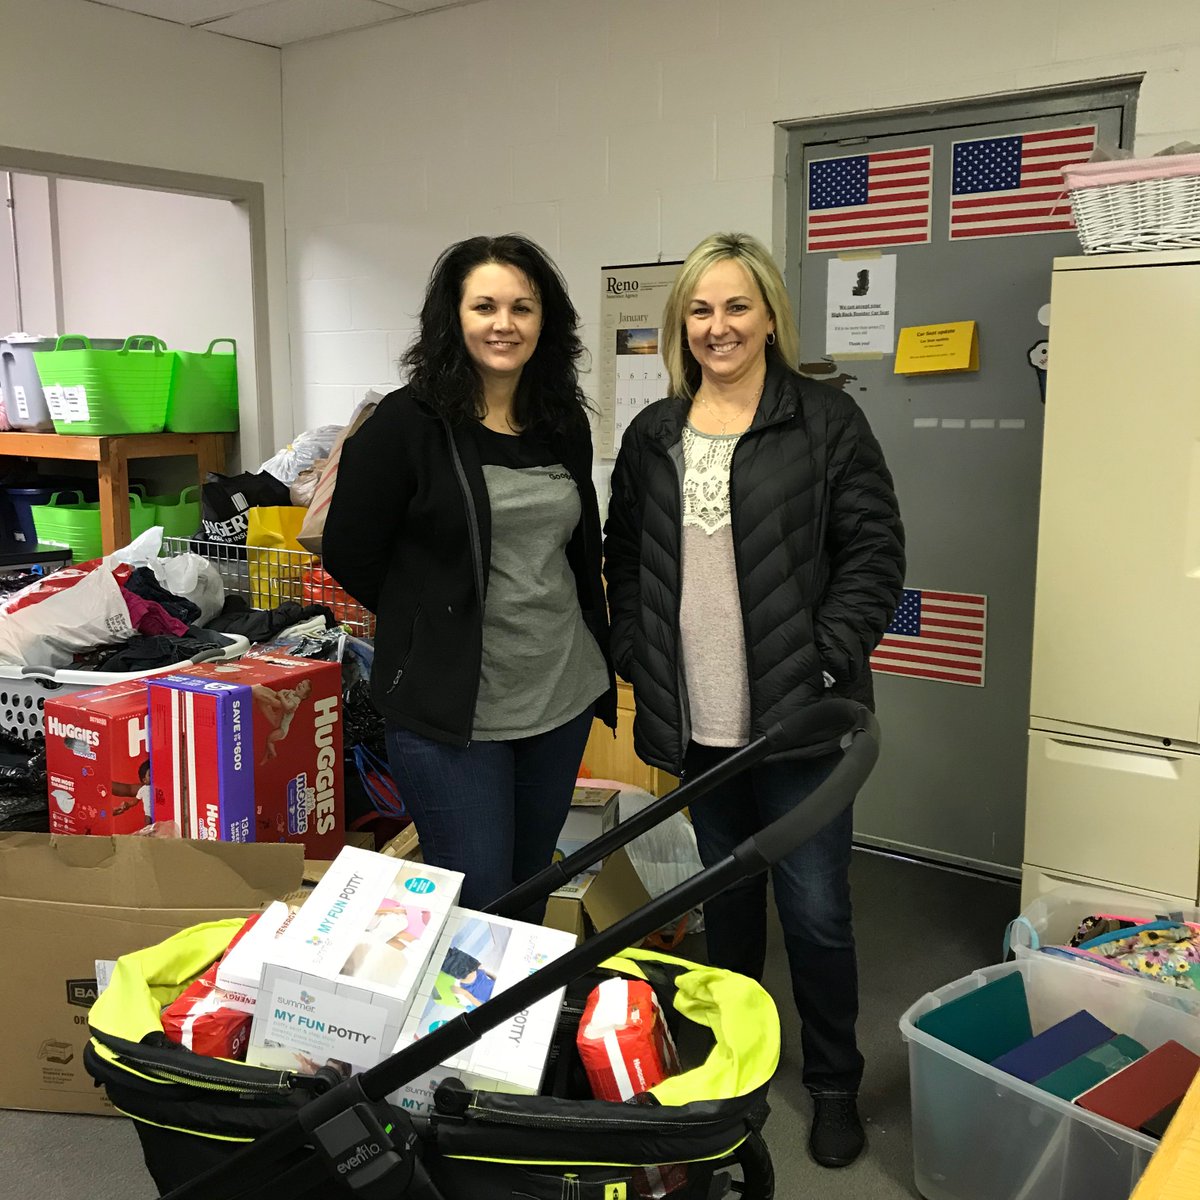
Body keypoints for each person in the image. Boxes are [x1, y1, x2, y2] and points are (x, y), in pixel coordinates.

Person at [603, 232, 904, 1168]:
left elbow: (874, 555)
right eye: (700, 309)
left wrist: (824, 662)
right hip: (698, 725)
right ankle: (738, 1063)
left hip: (800, 721)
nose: (718, 326)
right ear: (680, 323)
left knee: (814, 911)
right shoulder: (654, 434)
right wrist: (636, 653)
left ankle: (832, 1083)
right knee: (725, 903)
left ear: (770, 315)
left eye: (737, 306)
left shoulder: (826, 422)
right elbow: (623, 558)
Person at [323, 234, 617, 915]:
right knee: (480, 906)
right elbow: (350, 549)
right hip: (453, 713)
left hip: (559, 694)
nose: (504, 324)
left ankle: (527, 995)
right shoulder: (405, 424)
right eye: (485, 306)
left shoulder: (559, 420)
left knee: (530, 891)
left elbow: (574, 546)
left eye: (522, 307)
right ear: (453, 317)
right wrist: (431, 622)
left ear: (544, 321)